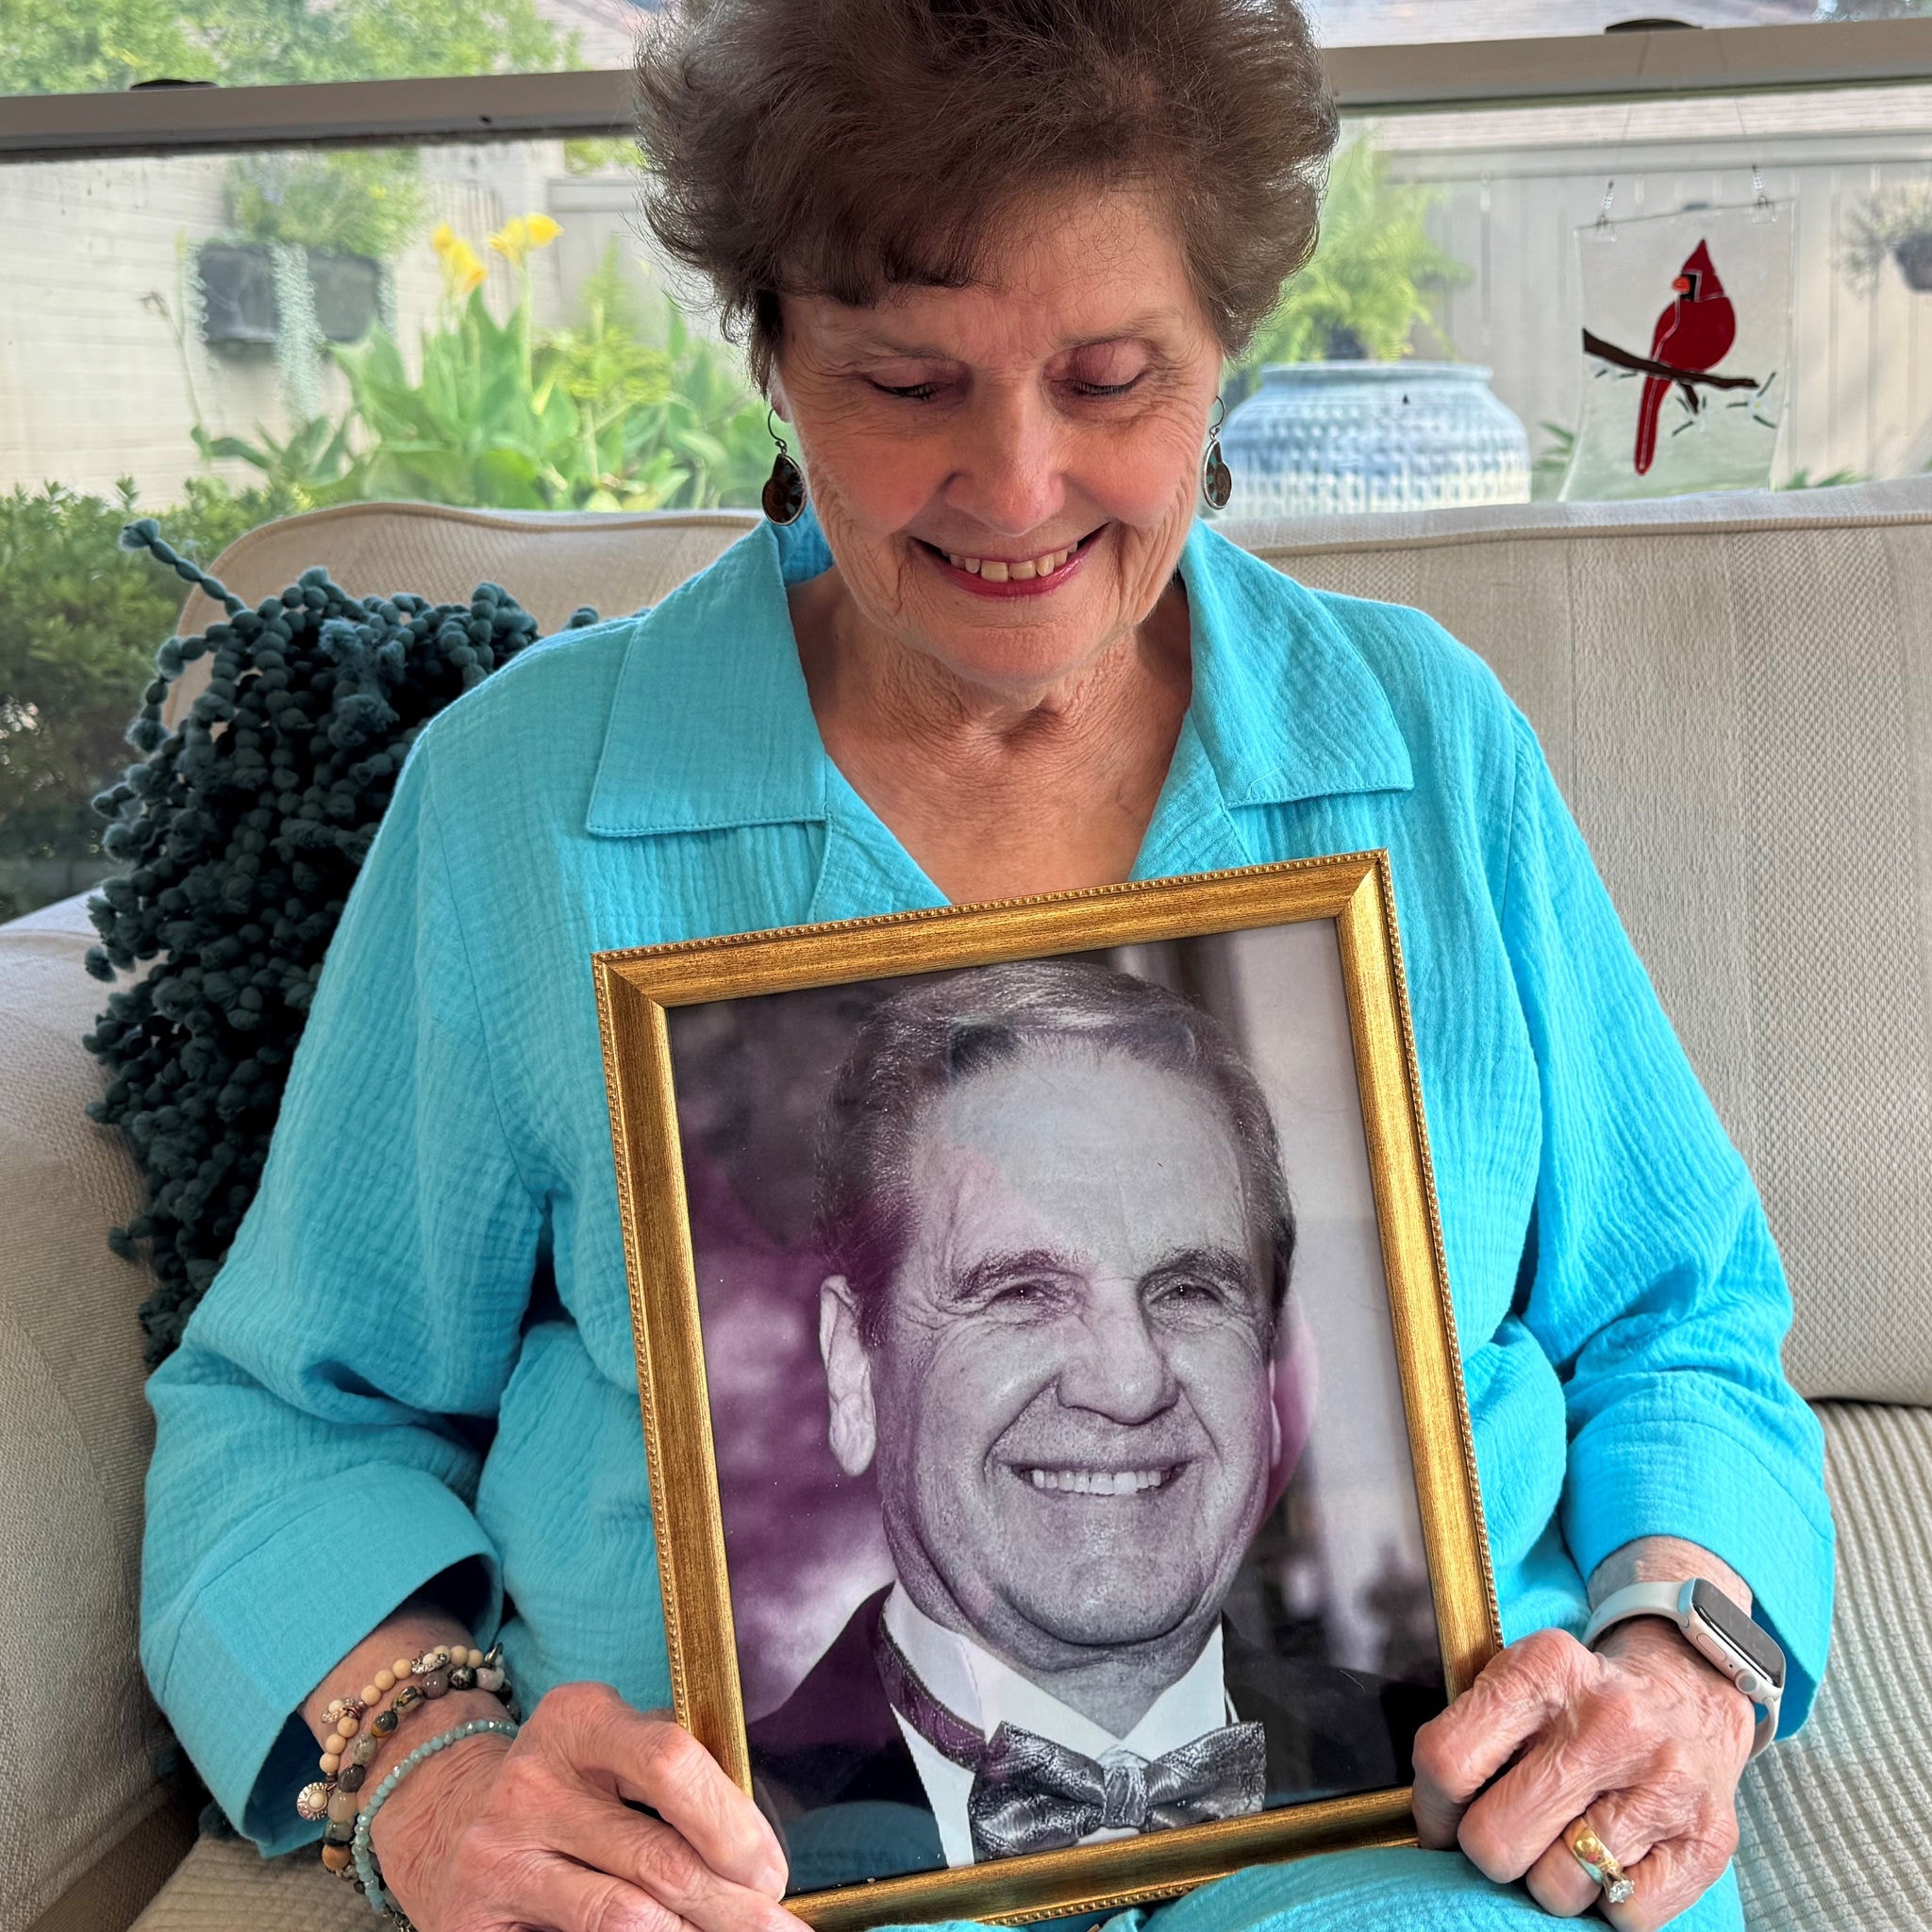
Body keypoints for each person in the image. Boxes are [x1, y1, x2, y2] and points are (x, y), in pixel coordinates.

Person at [139, 0, 1833, 1928]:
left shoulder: (1428, 746)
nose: (1016, 488)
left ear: (1223, 360)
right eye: (905, 384)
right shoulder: (525, 801)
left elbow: (1674, 1316)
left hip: (1425, 1861)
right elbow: (295, 1406)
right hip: (733, 1884)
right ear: (771, 358)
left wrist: (1684, 1676)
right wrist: (426, 1770)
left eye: (1112, 380)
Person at [748, 960, 1421, 1882]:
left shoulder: (1425, 1752)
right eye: (1022, 1291)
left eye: (1188, 1289)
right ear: (853, 1367)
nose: (1128, 1377)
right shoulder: (721, 1834)